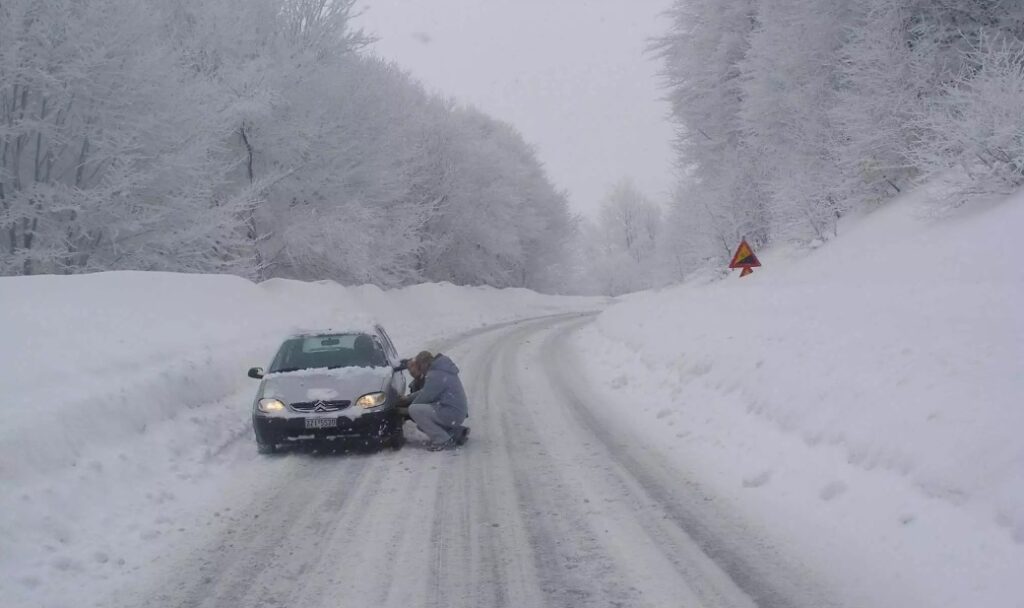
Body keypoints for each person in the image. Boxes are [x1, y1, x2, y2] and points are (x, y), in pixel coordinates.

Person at [404, 351, 469, 450]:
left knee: (414, 410)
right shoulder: (441, 370)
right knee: (422, 422)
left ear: (424, 364)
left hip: (451, 412)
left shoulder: (435, 374)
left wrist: (405, 408)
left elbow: (424, 398)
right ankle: (456, 433)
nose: (420, 370)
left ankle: (443, 441)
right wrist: (408, 398)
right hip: (455, 411)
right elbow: (425, 391)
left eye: (420, 367)